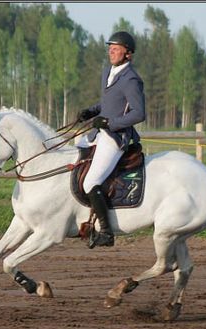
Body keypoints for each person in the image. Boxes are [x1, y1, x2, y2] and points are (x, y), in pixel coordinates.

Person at [76, 31, 146, 249]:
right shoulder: (108, 71)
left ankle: (106, 232)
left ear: (128, 54)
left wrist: (109, 123)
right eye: (110, 48)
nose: (111, 51)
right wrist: (90, 111)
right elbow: (108, 101)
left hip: (116, 137)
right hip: (100, 133)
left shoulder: (132, 79)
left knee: (90, 181)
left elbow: (138, 113)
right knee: (75, 149)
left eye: (116, 49)